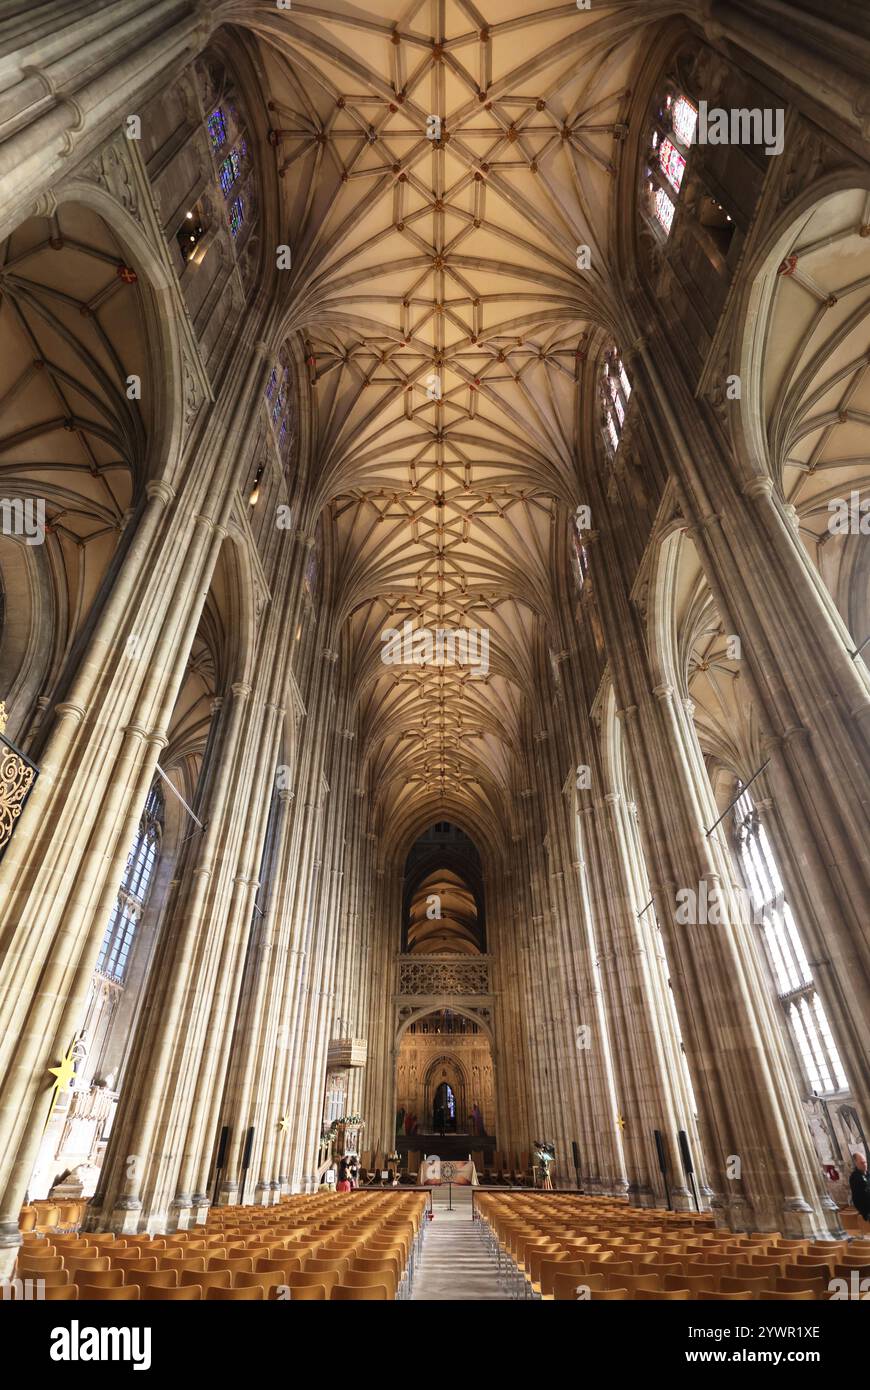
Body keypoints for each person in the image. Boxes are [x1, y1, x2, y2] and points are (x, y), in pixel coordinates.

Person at [849, 1150, 870, 1222]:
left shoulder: (868, 1174)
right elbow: (857, 1198)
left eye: (865, 1162)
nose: (865, 1164)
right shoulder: (855, 1177)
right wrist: (866, 1213)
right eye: (862, 1163)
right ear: (856, 1164)